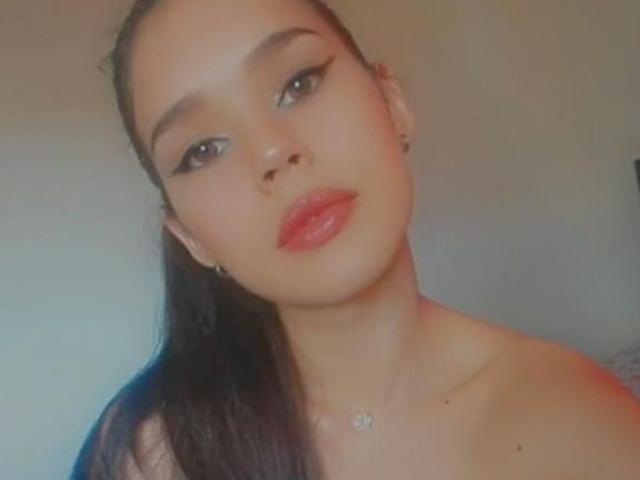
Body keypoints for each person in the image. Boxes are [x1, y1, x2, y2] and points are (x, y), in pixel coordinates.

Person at [71, 0, 640, 478]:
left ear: (393, 104)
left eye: (298, 84)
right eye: (203, 150)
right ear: (191, 238)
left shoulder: (582, 422)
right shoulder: (152, 456)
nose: (272, 151)